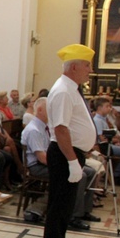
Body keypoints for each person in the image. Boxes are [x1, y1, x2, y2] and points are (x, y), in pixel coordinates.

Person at [43, 44, 98, 238]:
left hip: (71, 153)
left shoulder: (72, 87)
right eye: (87, 65)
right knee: (59, 204)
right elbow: (61, 129)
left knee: (66, 205)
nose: (90, 70)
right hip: (64, 154)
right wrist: (73, 162)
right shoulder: (63, 90)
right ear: (74, 67)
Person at [21, 98, 99, 230]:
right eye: (49, 109)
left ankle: (85, 209)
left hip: (50, 162)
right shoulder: (34, 130)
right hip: (38, 167)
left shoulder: (45, 127)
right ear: (40, 110)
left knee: (91, 172)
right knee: (81, 175)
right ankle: (74, 216)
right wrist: (66, 164)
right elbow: (42, 158)